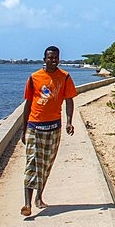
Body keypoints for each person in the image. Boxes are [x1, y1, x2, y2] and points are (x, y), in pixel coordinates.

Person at [19, 45, 77, 217]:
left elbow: (69, 101)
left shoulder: (65, 77)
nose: (53, 60)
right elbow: (28, 105)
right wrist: (23, 131)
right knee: (31, 163)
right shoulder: (34, 78)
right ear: (44, 59)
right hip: (34, 127)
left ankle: (39, 197)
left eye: (56, 57)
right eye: (50, 57)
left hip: (54, 128)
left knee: (45, 165)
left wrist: (69, 122)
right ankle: (27, 204)